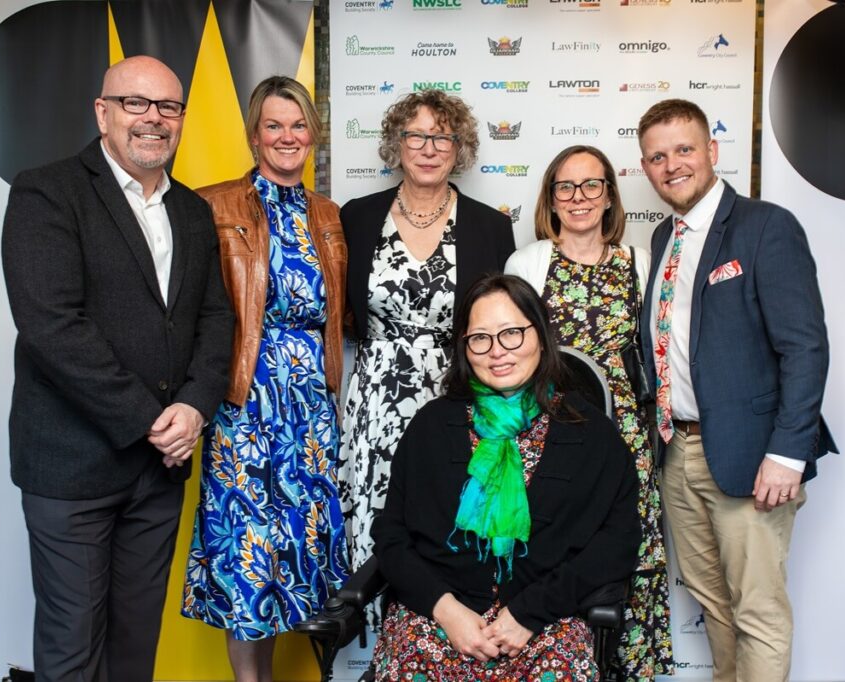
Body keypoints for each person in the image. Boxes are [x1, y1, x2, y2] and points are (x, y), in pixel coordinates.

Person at [1, 55, 234, 682]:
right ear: (102, 112)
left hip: (157, 471)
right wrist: (151, 418)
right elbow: (52, 327)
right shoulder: (46, 191)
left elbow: (216, 319)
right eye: (136, 103)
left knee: (136, 648)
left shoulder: (191, 210)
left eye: (169, 107)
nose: (153, 120)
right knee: (73, 647)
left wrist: (194, 406)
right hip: (73, 464)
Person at [636, 98, 837, 682]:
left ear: (712, 151)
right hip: (679, 453)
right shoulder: (662, 238)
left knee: (758, 610)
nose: (672, 164)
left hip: (752, 456)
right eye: (657, 156)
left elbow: (805, 347)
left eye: (683, 149)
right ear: (645, 168)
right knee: (713, 604)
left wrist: (786, 454)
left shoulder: (765, 227)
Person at [371, 274, 640, 681]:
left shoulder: (590, 431)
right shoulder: (431, 426)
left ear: (541, 335)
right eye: (481, 338)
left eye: (512, 333)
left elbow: (616, 544)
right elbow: (392, 538)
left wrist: (529, 614)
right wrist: (446, 611)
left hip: (546, 619)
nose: (498, 352)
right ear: (465, 347)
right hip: (440, 616)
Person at [179, 75, 349, 682]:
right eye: (273, 125)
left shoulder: (328, 216)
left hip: (310, 409)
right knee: (248, 560)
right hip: (245, 402)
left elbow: (340, 313)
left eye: (298, 125)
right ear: (254, 135)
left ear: (313, 135)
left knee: (299, 555)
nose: (287, 136)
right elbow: (191, 309)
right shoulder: (211, 205)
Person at [338, 90, 515, 601]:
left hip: (455, 396)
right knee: (375, 521)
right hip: (374, 398)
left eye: (443, 136)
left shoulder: (490, 225)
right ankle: (379, 649)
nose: (429, 147)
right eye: (416, 135)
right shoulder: (358, 217)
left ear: (459, 148)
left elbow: (499, 321)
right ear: (398, 143)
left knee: (446, 517)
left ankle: (443, 635)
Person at [505, 144, 674, 680]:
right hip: (547, 432)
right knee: (555, 547)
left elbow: (658, 354)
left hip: (623, 432)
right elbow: (511, 358)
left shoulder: (640, 264)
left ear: (609, 196)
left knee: (631, 552)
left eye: (591, 185)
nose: (578, 198)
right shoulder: (528, 262)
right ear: (551, 200)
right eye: (565, 187)